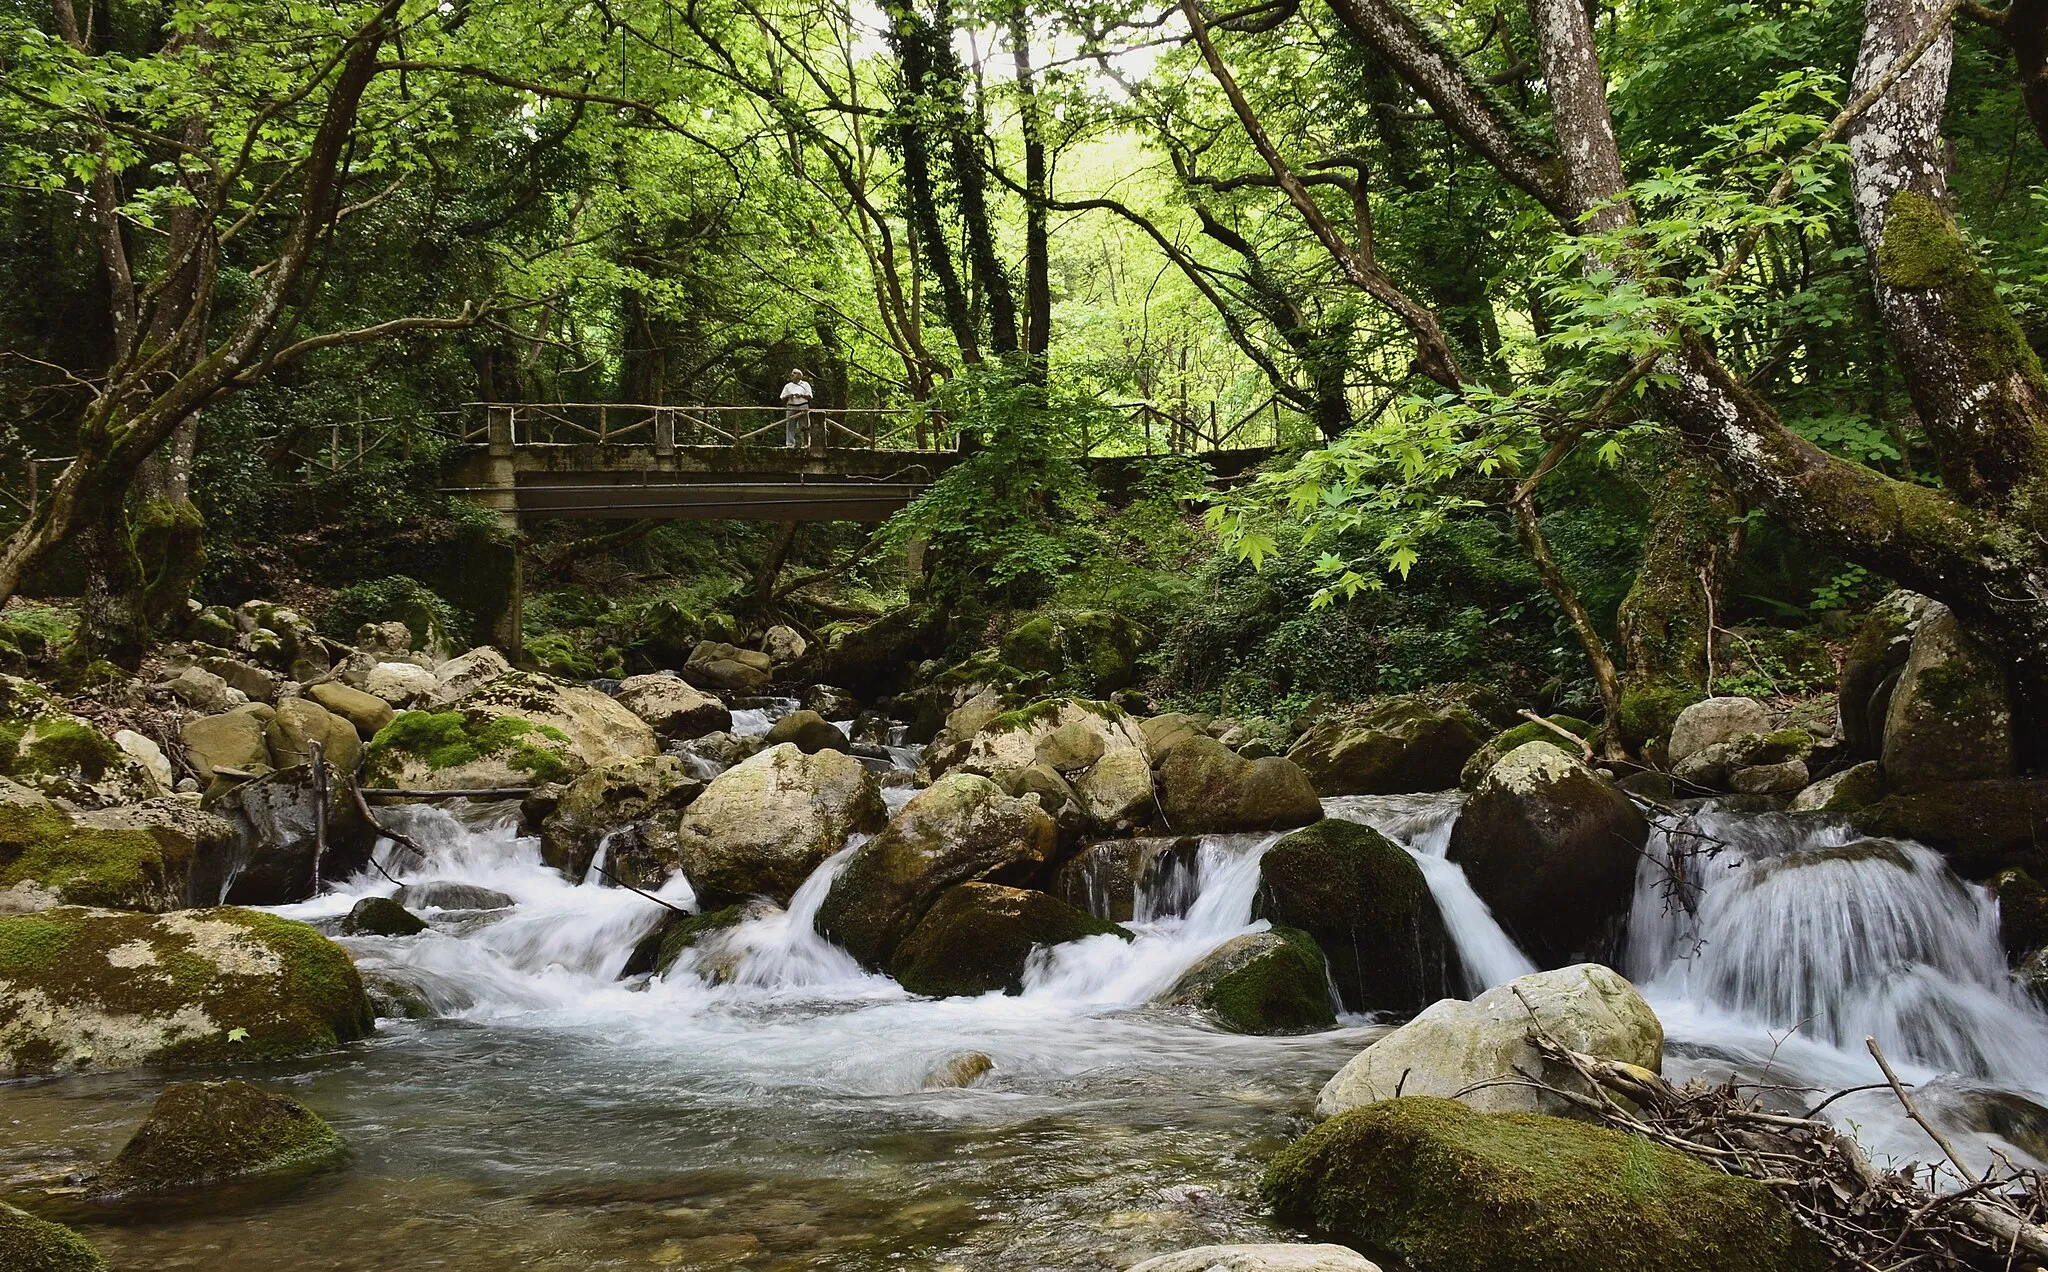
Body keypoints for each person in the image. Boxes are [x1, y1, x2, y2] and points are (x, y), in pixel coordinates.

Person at [779, 368, 813, 447]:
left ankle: (806, 444)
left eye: (794, 373)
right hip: (791, 406)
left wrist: (801, 395)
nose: (792, 375)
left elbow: (810, 396)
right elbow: (782, 397)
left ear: (799, 376)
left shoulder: (805, 384)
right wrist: (788, 396)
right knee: (790, 425)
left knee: (805, 426)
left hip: (803, 405)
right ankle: (790, 445)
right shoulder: (788, 386)